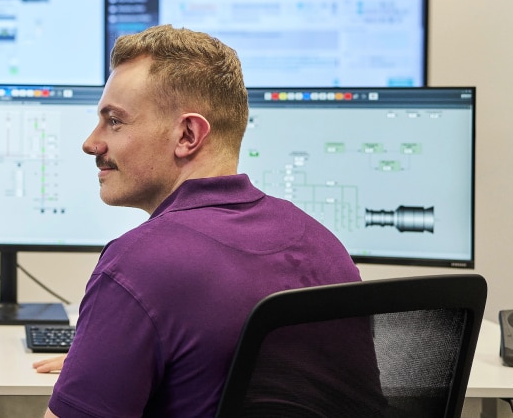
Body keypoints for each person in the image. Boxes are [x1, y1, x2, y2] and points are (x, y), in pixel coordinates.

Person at [37, 24, 366, 418]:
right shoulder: (322, 245)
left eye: (115, 121)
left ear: (188, 135)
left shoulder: (137, 264)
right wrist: (99, 363)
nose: (91, 143)